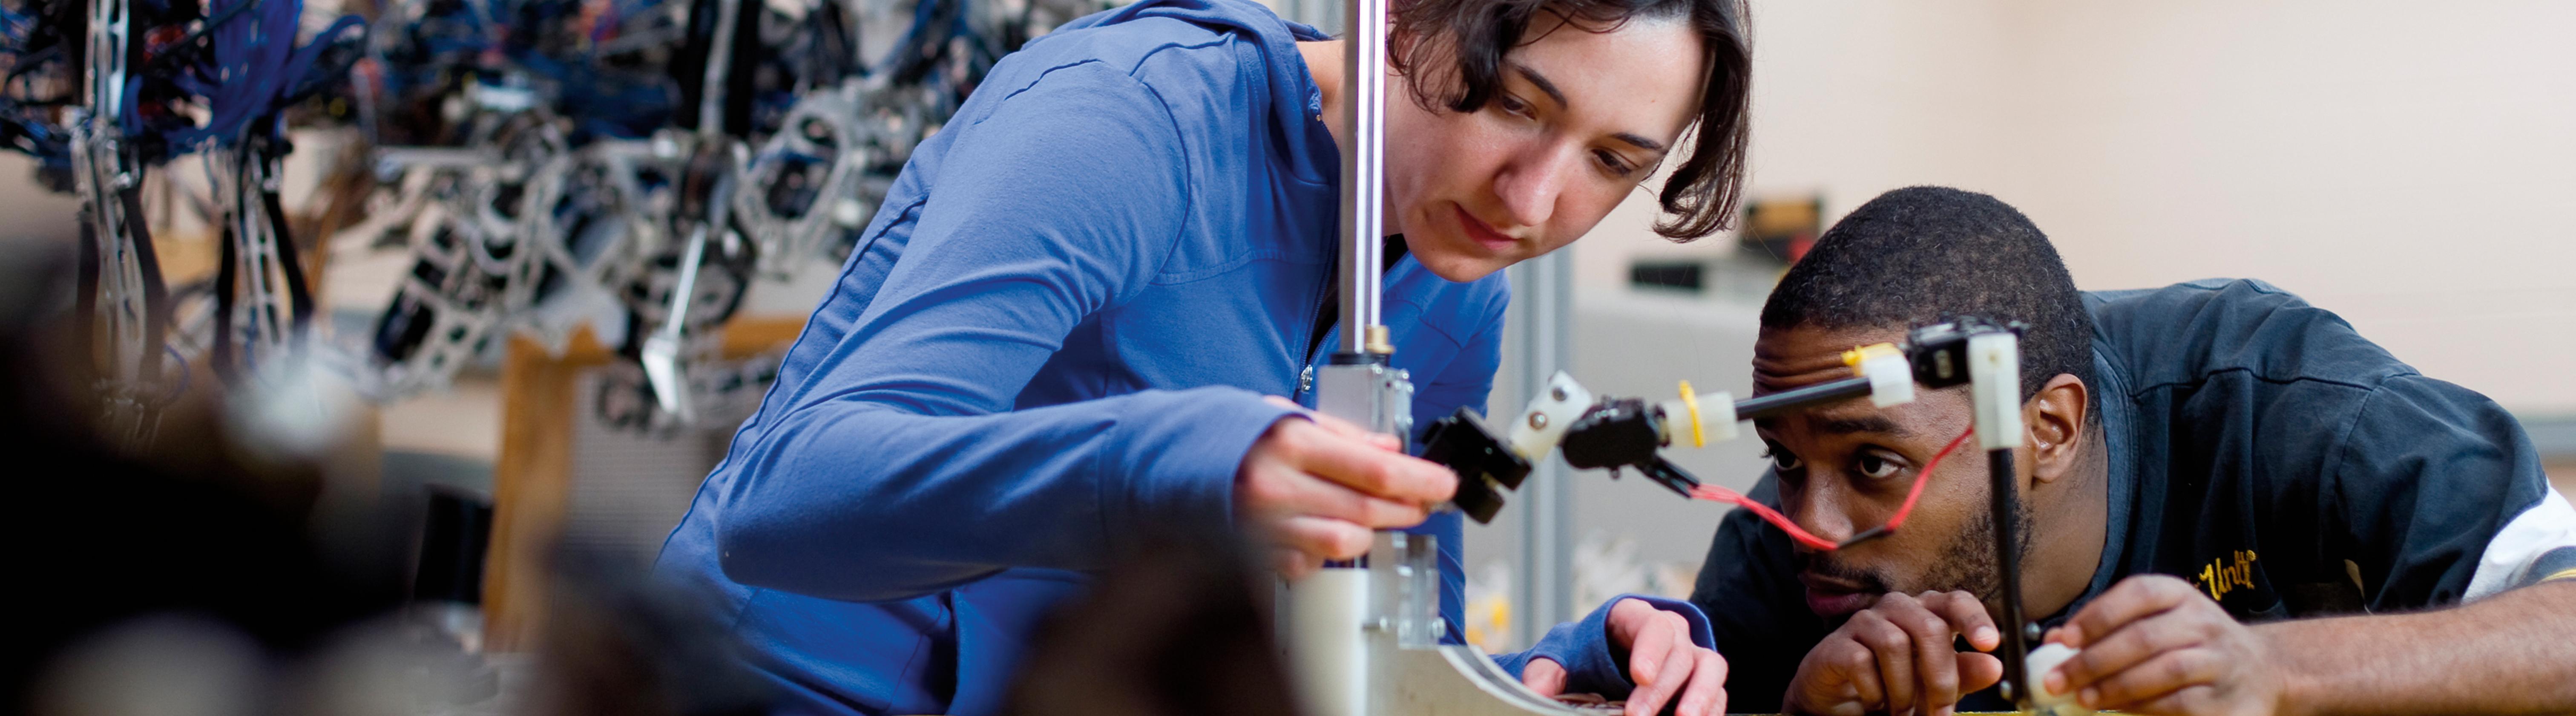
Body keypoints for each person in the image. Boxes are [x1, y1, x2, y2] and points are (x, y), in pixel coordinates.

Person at [653, 0, 1756, 713]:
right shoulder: (1131, 123)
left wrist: (1569, 677)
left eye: (1612, 161)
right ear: (1411, 22)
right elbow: (783, 506)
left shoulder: (1458, 291)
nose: (1535, 199)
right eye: (1515, 105)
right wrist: (1170, 466)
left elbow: (1374, 671)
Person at [1687, 186, 2576, 716]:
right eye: (1786, 456)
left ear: (2050, 429)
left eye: (1874, 464)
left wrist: (2273, 671)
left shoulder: (2287, 407)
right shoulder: (1787, 543)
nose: (1808, 521)